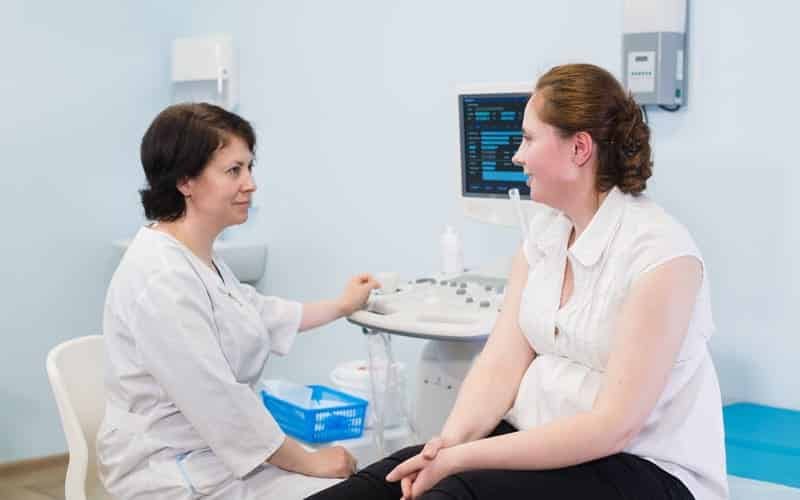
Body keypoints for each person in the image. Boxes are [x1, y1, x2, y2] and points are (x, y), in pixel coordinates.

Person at [307, 63, 728, 500]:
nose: (517, 156)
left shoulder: (661, 256)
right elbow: (500, 365)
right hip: (541, 439)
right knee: (376, 487)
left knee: (452, 494)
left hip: (643, 466)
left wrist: (461, 460)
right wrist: (444, 447)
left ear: (579, 148)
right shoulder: (543, 236)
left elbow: (612, 427)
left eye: (528, 139)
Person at [97, 103, 379, 499]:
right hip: (170, 471)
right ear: (185, 181)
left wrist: (341, 305)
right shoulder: (161, 279)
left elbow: (257, 313)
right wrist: (311, 461)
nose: (250, 183)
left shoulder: (197, 258)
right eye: (234, 170)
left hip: (217, 456)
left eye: (250, 168)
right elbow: (219, 402)